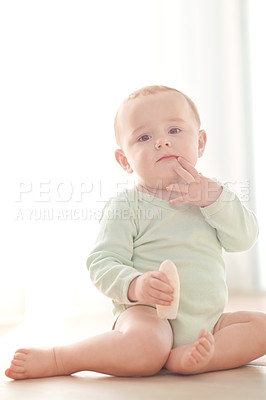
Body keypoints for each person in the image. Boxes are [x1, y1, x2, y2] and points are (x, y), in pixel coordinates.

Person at [5, 85, 266, 380]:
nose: (162, 143)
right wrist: (135, 285)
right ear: (125, 161)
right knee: (146, 348)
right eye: (145, 137)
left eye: (175, 130)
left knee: (261, 328)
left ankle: (202, 356)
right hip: (147, 316)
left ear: (201, 142)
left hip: (208, 321)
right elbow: (102, 263)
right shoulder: (126, 206)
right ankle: (61, 358)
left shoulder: (213, 197)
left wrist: (214, 199)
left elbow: (244, 239)